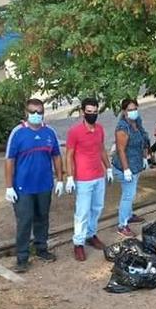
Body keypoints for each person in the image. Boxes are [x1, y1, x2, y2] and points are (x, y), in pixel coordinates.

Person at [4, 98, 65, 273]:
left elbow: (56, 156)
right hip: (23, 187)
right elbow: (9, 160)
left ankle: (42, 249)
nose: (36, 115)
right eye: (33, 112)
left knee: (42, 218)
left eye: (39, 112)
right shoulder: (18, 133)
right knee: (24, 221)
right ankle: (22, 257)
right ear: (26, 113)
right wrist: (9, 186)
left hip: (44, 185)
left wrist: (60, 179)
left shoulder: (49, 132)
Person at [65, 97, 113, 262]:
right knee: (82, 212)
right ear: (82, 112)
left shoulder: (99, 129)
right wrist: (70, 177)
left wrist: (108, 168)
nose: (92, 115)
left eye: (95, 112)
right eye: (89, 112)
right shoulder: (74, 132)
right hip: (83, 179)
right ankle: (78, 243)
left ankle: (91, 234)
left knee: (97, 208)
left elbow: (101, 149)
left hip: (98, 176)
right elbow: (69, 155)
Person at [113, 98, 152, 237]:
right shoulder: (122, 128)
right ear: (124, 111)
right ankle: (122, 225)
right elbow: (121, 150)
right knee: (128, 196)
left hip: (136, 164)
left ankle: (129, 215)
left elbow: (143, 139)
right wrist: (126, 169)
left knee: (131, 192)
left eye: (135, 108)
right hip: (126, 166)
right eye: (130, 110)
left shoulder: (137, 121)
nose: (133, 112)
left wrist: (144, 157)